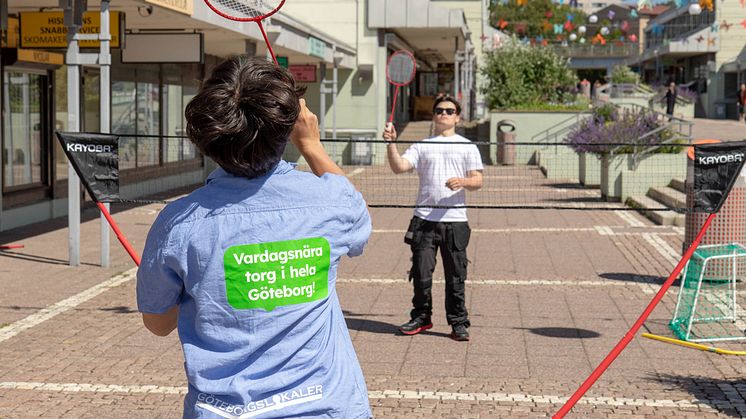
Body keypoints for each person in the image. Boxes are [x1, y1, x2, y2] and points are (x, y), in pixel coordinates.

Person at [136, 56, 372, 419]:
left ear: (207, 134)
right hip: (327, 407)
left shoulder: (177, 223)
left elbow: (158, 324)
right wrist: (312, 145)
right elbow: (357, 222)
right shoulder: (330, 202)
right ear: (290, 124)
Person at [382, 96, 483, 341]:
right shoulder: (422, 145)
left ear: (457, 117)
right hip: (424, 219)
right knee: (421, 273)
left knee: (456, 276)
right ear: (434, 116)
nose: (444, 114)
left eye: (450, 110)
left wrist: (464, 181)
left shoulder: (467, 146)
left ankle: (458, 322)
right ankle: (421, 317)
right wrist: (391, 144)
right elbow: (399, 167)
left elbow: (478, 181)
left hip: (455, 221)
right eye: (439, 110)